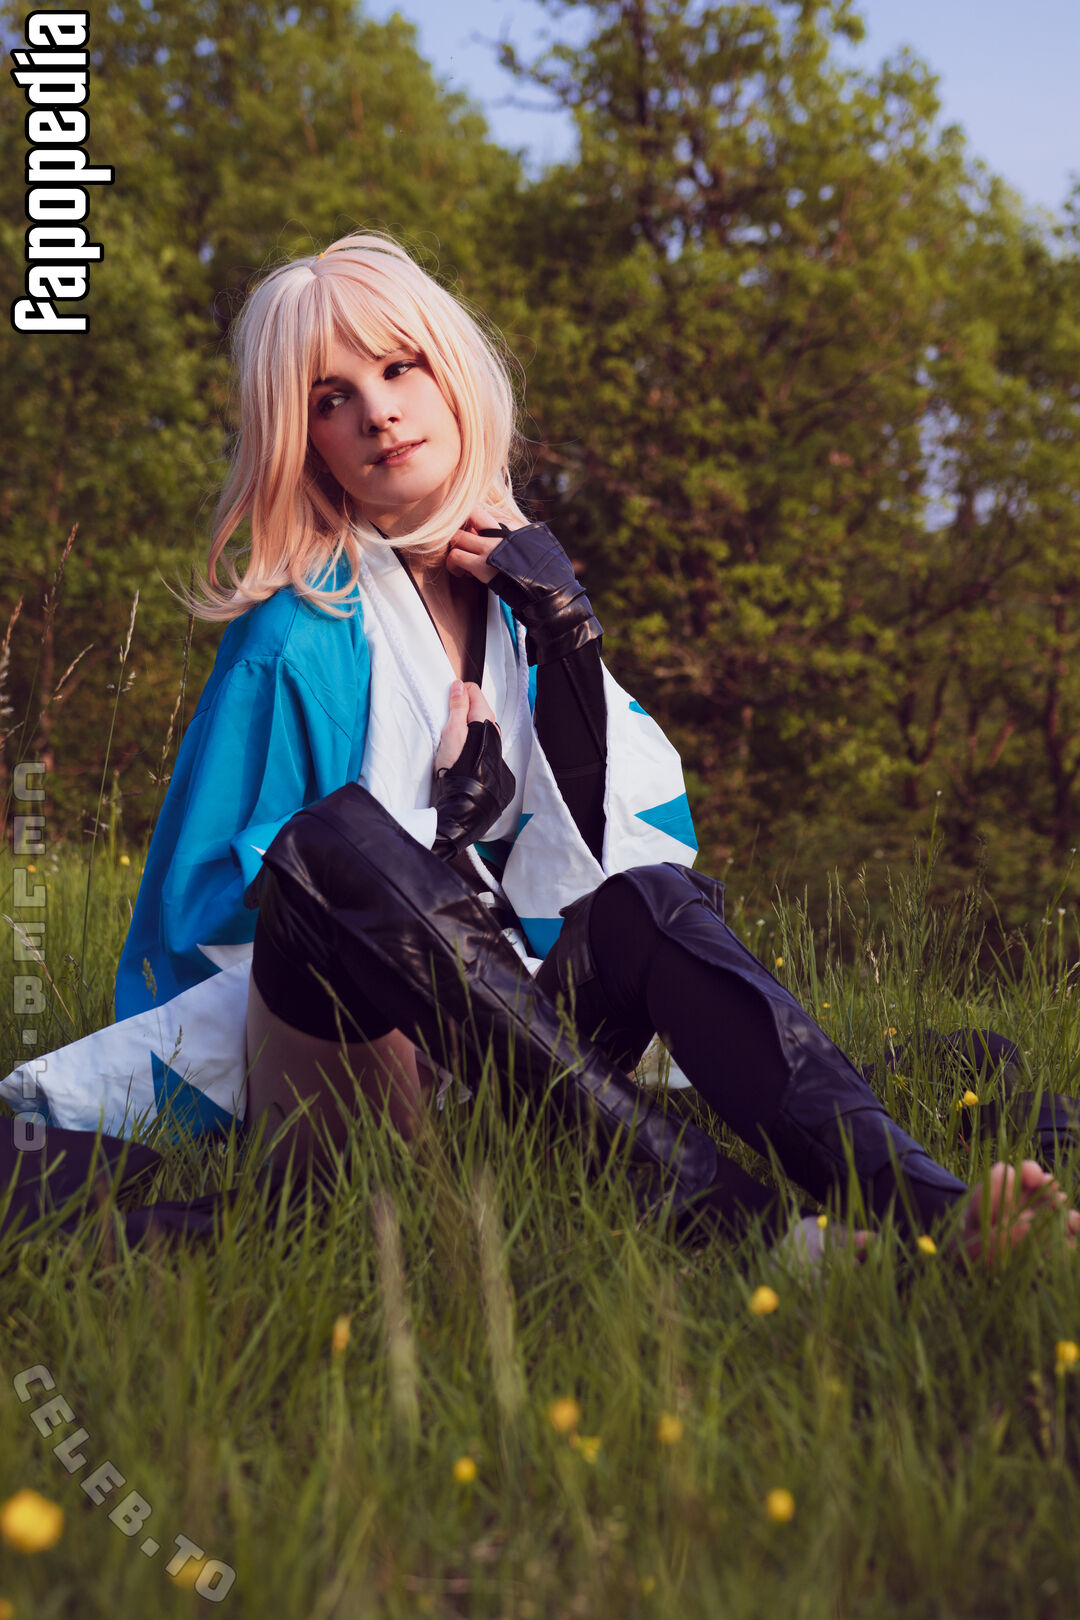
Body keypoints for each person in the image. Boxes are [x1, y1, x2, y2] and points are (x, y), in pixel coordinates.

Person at [112, 231, 1077, 1265]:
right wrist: (445, 829)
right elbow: (225, 928)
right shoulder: (295, 638)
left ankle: (934, 1216)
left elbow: (601, 875)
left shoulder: (519, 600)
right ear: (301, 444)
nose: (377, 412)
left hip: (502, 1072)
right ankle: (765, 1241)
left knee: (649, 905)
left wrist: (570, 650)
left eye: (399, 367)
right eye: (329, 398)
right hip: (350, 1088)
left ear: (453, 373)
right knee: (334, 844)